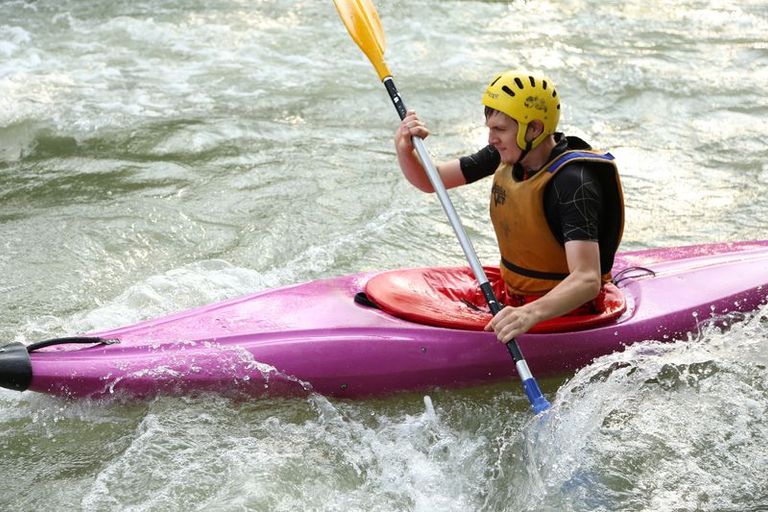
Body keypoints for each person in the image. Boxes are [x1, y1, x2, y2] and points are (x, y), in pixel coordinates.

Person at [394, 70, 624, 343]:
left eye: (500, 129)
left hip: (567, 309)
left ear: (535, 129)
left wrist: (528, 314)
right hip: (514, 294)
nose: (491, 138)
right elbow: (433, 181)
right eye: (490, 128)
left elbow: (587, 280)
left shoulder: (573, 182)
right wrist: (404, 149)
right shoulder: (506, 154)